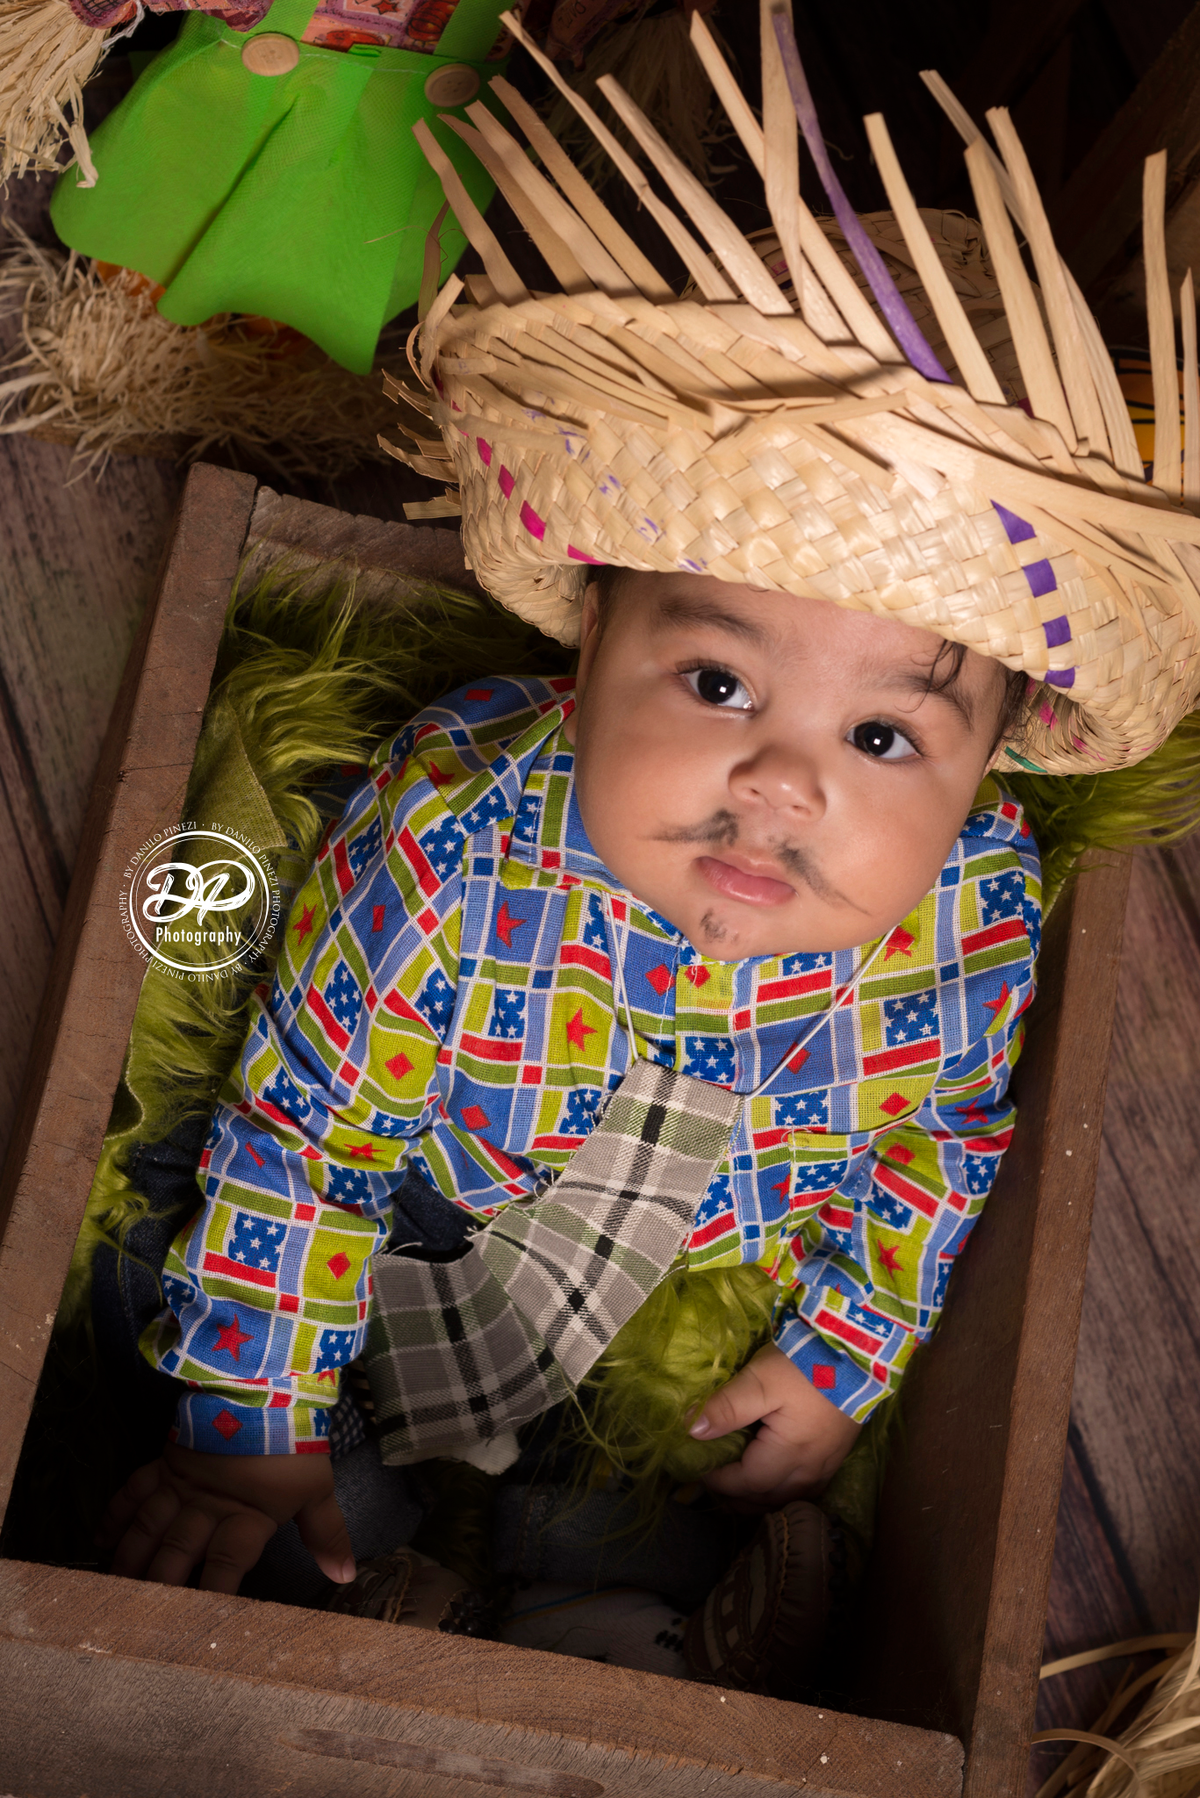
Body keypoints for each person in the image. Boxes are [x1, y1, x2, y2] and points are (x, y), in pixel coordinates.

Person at [97, 11, 1200, 1692]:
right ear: (584, 636)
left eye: (886, 737)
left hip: (671, 1286)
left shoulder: (970, 911)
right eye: (714, 678)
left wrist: (841, 1352)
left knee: (658, 1496)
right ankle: (363, 1576)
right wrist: (247, 1417)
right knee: (214, 1351)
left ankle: (599, 1633)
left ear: (989, 771)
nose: (778, 778)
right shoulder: (461, 832)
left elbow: (944, 1147)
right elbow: (304, 1135)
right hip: (418, 1202)